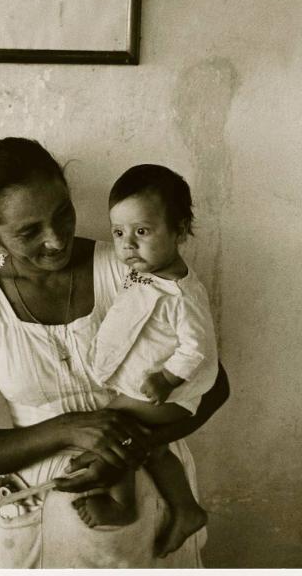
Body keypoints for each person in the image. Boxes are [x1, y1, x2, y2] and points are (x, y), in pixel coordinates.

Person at [0, 137, 230, 568]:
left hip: (151, 508)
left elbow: (213, 384)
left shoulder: (130, 268)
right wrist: (68, 429)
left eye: (63, 213)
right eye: (28, 232)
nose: (56, 240)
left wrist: (129, 450)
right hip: (36, 523)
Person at [72, 164, 217, 558]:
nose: (128, 245)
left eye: (143, 231)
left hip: (170, 394)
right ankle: (186, 509)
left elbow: (198, 347)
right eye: (119, 233)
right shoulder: (144, 274)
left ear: (180, 231)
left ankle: (122, 506)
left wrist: (168, 379)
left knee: (116, 427)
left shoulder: (182, 295)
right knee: (151, 449)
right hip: (148, 388)